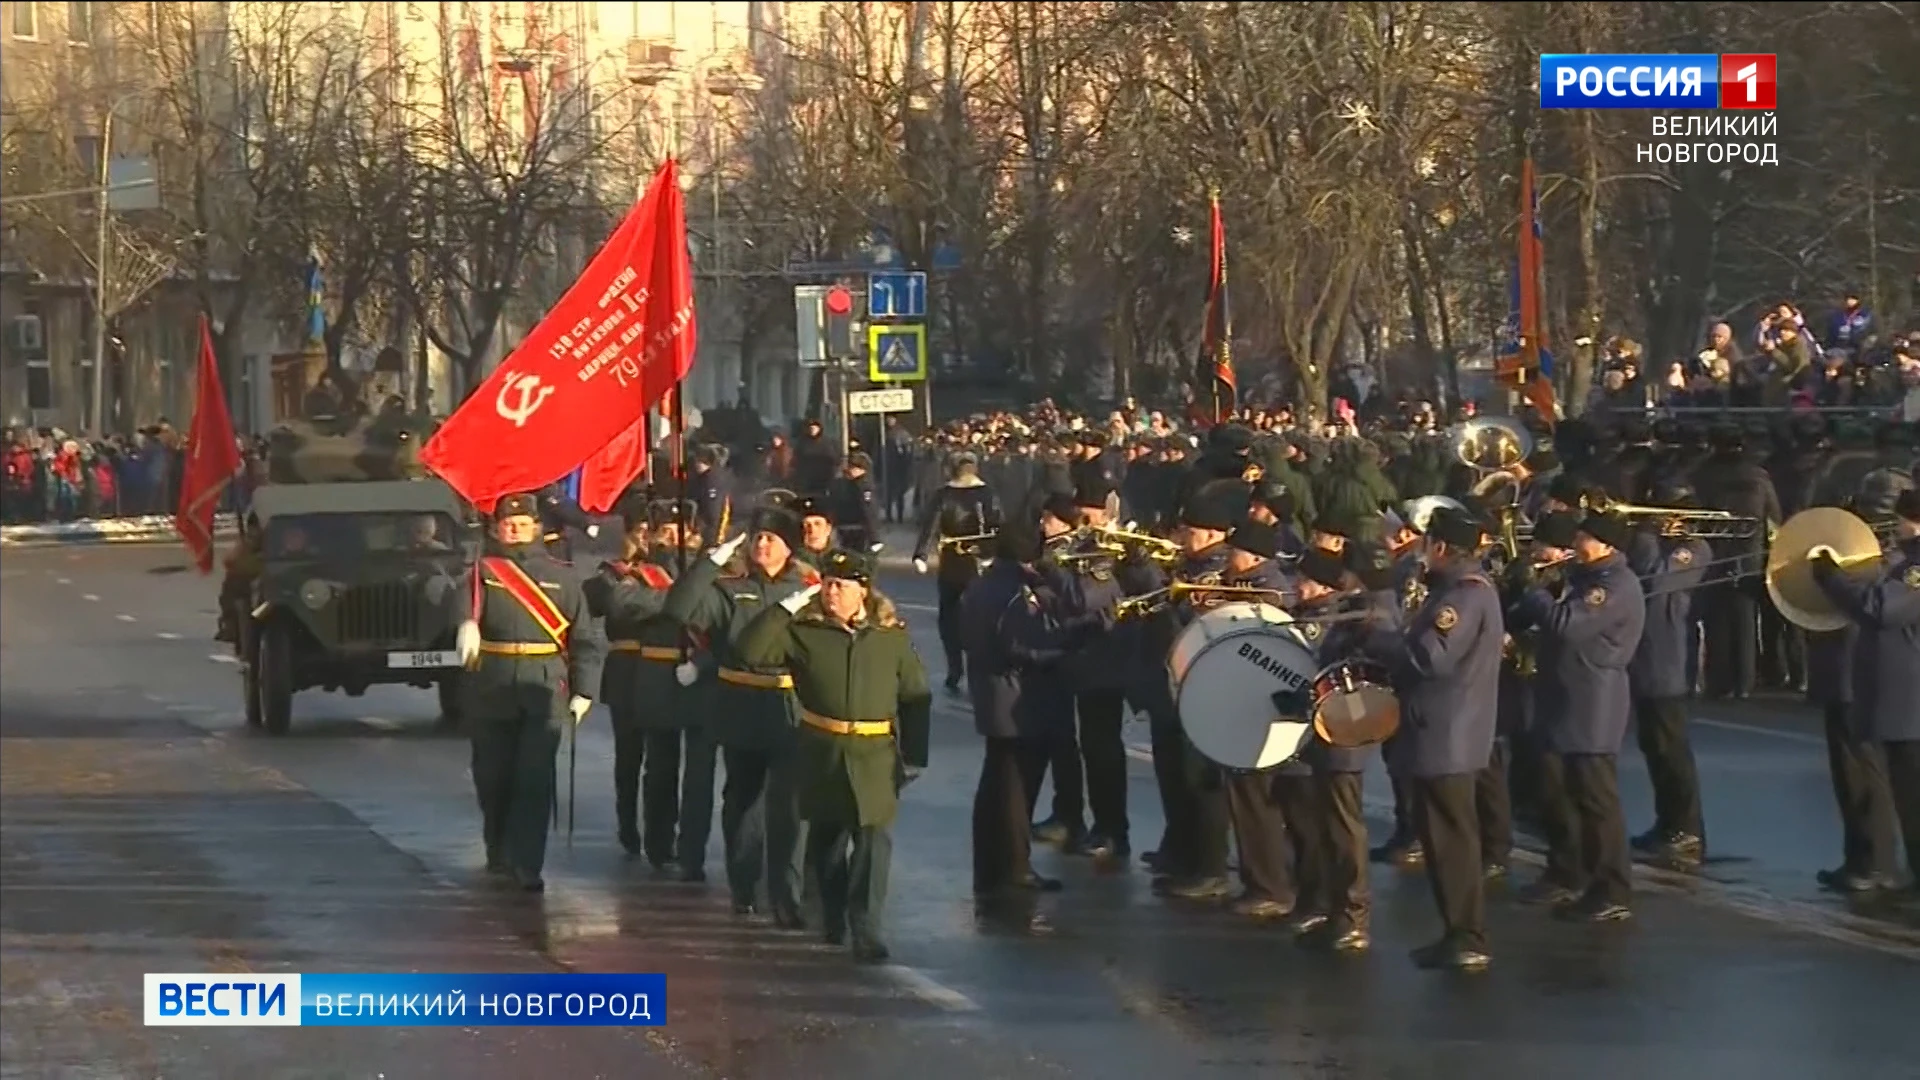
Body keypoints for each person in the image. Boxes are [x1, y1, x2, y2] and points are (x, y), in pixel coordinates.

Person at [735, 549, 932, 962]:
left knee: (873, 844)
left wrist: (915, 755)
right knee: (826, 843)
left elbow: (916, 696)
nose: (831, 591)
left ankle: (867, 930)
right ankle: (832, 915)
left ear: (863, 590)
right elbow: (749, 650)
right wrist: (786, 606)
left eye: (841, 585)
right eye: (827, 583)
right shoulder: (804, 632)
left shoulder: (890, 638)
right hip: (822, 750)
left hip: (875, 754)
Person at [662, 500, 819, 925]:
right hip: (740, 703)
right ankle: (744, 885)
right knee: (743, 802)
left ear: (789, 547)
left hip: (789, 704)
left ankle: (786, 893)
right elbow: (677, 610)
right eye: (757, 538)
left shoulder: (808, 588)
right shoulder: (730, 588)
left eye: (771, 538)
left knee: (788, 805)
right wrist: (708, 563)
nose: (762, 545)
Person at [453, 491, 601, 893]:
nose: (514, 529)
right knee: (494, 777)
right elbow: (454, 602)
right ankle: (498, 847)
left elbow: (584, 638)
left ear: (536, 527)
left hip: (543, 686)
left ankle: (527, 863)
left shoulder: (563, 576)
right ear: (496, 527)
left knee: (534, 779)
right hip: (492, 685)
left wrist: (585, 689)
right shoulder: (481, 573)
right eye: (507, 524)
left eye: (522, 524)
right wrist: (464, 622)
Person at [1510, 510, 1646, 923]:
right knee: (1560, 792)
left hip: (1593, 702)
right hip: (1564, 697)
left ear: (1607, 544)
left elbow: (1566, 624)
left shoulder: (1614, 585)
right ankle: (1569, 871)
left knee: (1596, 800)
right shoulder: (1586, 578)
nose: (1575, 545)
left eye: (1584, 537)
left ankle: (1612, 888)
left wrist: (1534, 592)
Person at [1389, 505, 1502, 970]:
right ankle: (1457, 930)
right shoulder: (1460, 590)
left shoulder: (1463, 596)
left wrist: (1384, 641)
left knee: (1451, 839)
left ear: (1439, 547)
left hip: (1446, 732)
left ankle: (1466, 934)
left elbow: (1430, 659)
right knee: (1444, 838)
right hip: (1447, 731)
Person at [964, 526, 1097, 902]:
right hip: (1018, 699)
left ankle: (990, 866)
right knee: (1015, 791)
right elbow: (1022, 647)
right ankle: (1013, 868)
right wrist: (1067, 649)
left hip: (994, 697)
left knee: (995, 787)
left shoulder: (985, 582)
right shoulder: (1013, 591)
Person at [1810, 489, 1920, 894]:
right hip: (1888, 687)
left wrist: (1831, 576)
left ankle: (1886, 866)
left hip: (1905, 692)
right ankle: (1884, 865)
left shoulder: (1910, 567)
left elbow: (1882, 609)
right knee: (1902, 791)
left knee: (1904, 792)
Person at [584, 510, 692, 870]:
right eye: (652, 532)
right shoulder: (618, 572)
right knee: (629, 758)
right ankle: (628, 825)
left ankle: (663, 838)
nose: (661, 540)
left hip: (669, 671)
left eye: (674, 532)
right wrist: (674, 601)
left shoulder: (692, 572)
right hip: (627, 671)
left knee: (665, 761)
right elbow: (614, 603)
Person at [1625, 483, 1714, 867]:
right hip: (1644, 657)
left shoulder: (1692, 549)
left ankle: (1687, 829)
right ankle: (1667, 822)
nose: (1659, 520)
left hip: (1668, 661)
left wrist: (1644, 539)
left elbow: (1653, 583)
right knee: (1654, 748)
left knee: (1672, 750)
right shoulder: (1657, 545)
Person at [911, 451, 1005, 691]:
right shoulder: (988, 493)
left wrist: (921, 553)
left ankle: (955, 667)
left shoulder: (944, 495)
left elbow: (930, 525)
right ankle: (977, 665)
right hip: (982, 560)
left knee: (949, 617)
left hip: (955, 560)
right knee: (981, 615)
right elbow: (999, 524)